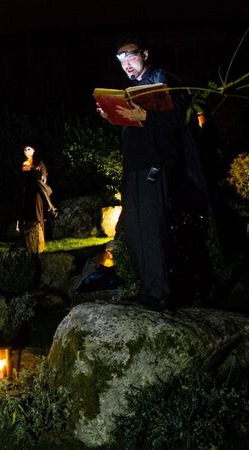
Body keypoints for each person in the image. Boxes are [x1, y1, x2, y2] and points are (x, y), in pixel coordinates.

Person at [95, 37, 212, 310]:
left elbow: (176, 121)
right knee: (135, 227)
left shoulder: (161, 80)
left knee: (151, 225)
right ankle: (147, 289)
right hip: (133, 165)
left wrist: (145, 116)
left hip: (155, 164)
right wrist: (112, 116)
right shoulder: (131, 89)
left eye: (131, 56)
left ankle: (159, 292)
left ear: (145, 54)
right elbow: (136, 126)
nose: (126, 64)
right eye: (120, 60)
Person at [16, 146, 58, 254]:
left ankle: (40, 240)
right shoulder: (23, 163)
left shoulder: (40, 163)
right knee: (35, 181)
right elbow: (24, 178)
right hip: (29, 192)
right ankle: (50, 206)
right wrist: (34, 173)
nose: (26, 151)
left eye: (29, 149)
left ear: (34, 150)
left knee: (38, 213)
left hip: (38, 192)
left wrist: (35, 173)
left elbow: (43, 178)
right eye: (25, 149)